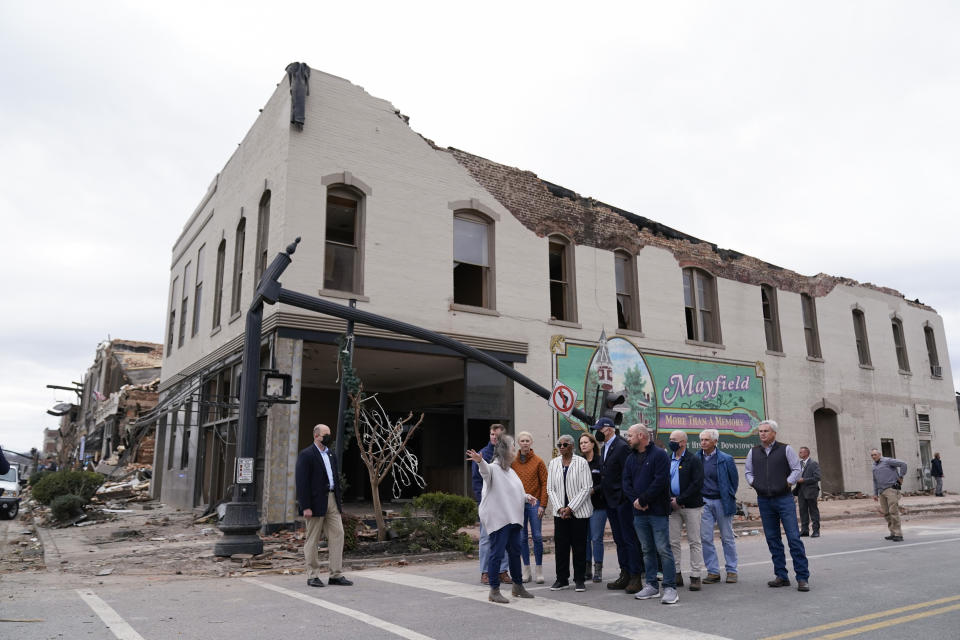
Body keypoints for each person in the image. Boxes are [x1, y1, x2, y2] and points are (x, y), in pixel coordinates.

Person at [467, 436, 537, 603]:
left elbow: (514, 492)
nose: (515, 451)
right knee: (496, 554)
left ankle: (518, 586)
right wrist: (479, 461)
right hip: (499, 520)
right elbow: (485, 471)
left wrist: (527, 497)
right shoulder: (493, 468)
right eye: (513, 448)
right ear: (505, 451)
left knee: (514, 553)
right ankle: (494, 590)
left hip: (512, 519)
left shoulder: (510, 471)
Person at [745, 420, 810, 592]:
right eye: (760, 431)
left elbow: (797, 470)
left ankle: (802, 577)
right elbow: (748, 472)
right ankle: (781, 575)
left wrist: (787, 484)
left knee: (794, 538)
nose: (762, 434)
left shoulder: (785, 449)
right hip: (764, 501)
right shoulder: (753, 452)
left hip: (784, 499)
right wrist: (755, 484)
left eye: (766, 431)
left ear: (774, 433)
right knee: (773, 539)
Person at [623, 425, 678, 604]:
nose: (628, 439)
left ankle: (670, 587)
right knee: (646, 550)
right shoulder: (630, 458)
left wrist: (644, 500)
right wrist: (636, 501)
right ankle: (652, 585)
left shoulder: (659, 455)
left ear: (641, 436)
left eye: (630, 436)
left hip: (658, 511)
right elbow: (626, 483)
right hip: (638, 513)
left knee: (663, 549)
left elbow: (660, 480)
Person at [295, 424, 353, 587]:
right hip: (314, 502)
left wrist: (338, 501)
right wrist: (305, 506)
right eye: (325, 435)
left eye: (329, 434)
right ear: (316, 436)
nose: (328, 437)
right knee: (312, 539)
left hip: (332, 499)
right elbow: (302, 483)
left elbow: (334, 477)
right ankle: (312, 575)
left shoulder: (330, 454)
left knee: (338, 534)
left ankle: (335, 574)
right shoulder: (306, 455)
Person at [595, 417, 643, 594]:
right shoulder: (605, 447)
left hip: (622, 501)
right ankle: (625, 573)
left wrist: (625, 496)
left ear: (608, 429)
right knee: (619, 539)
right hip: (610, 500)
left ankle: (635, 576)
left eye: (599, 429)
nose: (597, 431)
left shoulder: (622, 447)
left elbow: (628, 474)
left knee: (629, 538)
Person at [546, 433, 593, 592]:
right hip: (560, 513)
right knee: (561, 547)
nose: (561, 448)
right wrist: (560, 508)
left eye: (564, 445)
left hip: (578, 512)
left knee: (579, 546)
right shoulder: (553, 463)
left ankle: (579, 579)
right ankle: (562, 579)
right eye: (559, 445)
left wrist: (570, 508)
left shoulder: (581, 463)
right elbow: (550, 488)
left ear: (572, 446)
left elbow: (586, 487)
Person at [698, 428, 739, 585]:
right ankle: (713, 571)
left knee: (727, 537)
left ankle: (731, 570)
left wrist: (728, 496)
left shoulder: (726, 459)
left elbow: (733, 481)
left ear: (715, 441)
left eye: (706, 440)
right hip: (704, 502)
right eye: (701, 439)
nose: (703, 442)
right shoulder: (697, 458)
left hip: (722, 501)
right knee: (706, 537)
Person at [472, 423, 510, 585]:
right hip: (488, 505)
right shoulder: (482, 454)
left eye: (498, 435)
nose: (494, 437)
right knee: (486, 539)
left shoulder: (507, 455)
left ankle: (502, 571)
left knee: (505, 539)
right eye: (492, 434)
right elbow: (476, 482)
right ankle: (485, 572)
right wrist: (482, 503)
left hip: (503, 505)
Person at [667, 430, 704, 591]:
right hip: (672, 507)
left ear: (683, 442)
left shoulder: (693, 460)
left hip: (691, 506)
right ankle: (676, 574)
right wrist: (670, 500)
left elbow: (697, 484)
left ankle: (695, 575)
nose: (671, 442)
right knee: (673, 542)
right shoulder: (668, 460)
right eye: (670, 439)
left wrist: (680, 500)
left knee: (694, 541)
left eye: (674, 439)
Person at [510, 431, 547, 583]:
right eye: (522, 440)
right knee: (522, 537)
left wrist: (543, 505)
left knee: (537, 536)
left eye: (527, 440)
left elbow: (545, 483)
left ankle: (539, 570)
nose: (525, 443)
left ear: (531, 443)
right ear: (518, 443)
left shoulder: (538, 461)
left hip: (534, 503)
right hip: (518, 503)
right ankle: (526, 570)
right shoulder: (513, 462)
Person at [579, 431, 607, 583]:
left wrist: (594, 490)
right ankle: (587, 569)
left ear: (592, 444)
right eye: (581, 443)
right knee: (585, 538)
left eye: (585, 442)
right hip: (583, 506)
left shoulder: (600, 461)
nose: (583, 445)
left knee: (596, 538)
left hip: (598, 505)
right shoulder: (579, 462)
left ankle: (598, 570)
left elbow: (606, 482)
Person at [871, 448, 908, 542]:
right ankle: (893, 532)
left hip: (891, 489)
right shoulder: (874, 466)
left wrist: (901, 476)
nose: (873, 457)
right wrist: (875, 493)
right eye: (872, 455)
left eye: (875, 454)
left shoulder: (888, 461)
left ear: (880, 454)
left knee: (893, 511)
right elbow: (875, 480)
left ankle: (899, 534)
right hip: (881, 492)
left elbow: (903, 464)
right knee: (886, 513)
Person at [793, 447, 821, 537]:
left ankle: (816, 531)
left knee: (813, 511)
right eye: (799, 452)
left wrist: (804, 480)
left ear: (806, 453)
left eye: (801, 452)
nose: (799, 454)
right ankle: (805, 530)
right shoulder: (799, 464)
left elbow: (817, 477)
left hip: (811, 491)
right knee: (803, 511)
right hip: (801, 491)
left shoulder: (813, 464)